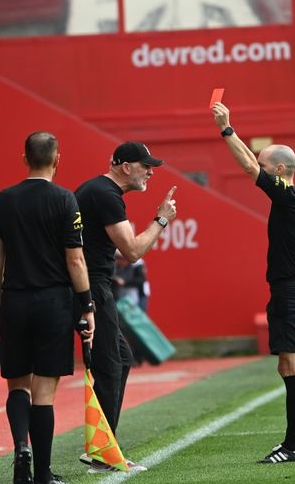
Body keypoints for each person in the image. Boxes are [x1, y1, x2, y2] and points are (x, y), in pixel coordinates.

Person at [210, 100, 295, 464]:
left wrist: (226, 128)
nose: (260, 169)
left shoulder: (288, 197)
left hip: (292, 291)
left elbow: (247, 167)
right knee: (285, 366)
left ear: (280, 171)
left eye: (266, 165)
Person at [0, 133, 95, 484]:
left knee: (17, 385)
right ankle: (43, 473)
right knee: (44, 393)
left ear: (24, 158)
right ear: (57, 159)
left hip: (15, 301)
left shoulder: (2, 200)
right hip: (53, 303)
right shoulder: (65, 200)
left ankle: (21, 448)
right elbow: (75, 260)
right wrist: (87, 305)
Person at [73, 142, 177, 472]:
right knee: (111, 364)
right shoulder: (106, 194)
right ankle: (102, 453)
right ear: (125, 166)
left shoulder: (100, 191)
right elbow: (132, 252)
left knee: (121, 358)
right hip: (91, 286)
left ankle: (104, 447)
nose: (151, 172)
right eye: (146, 165)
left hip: (91, 284)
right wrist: (161, 220)